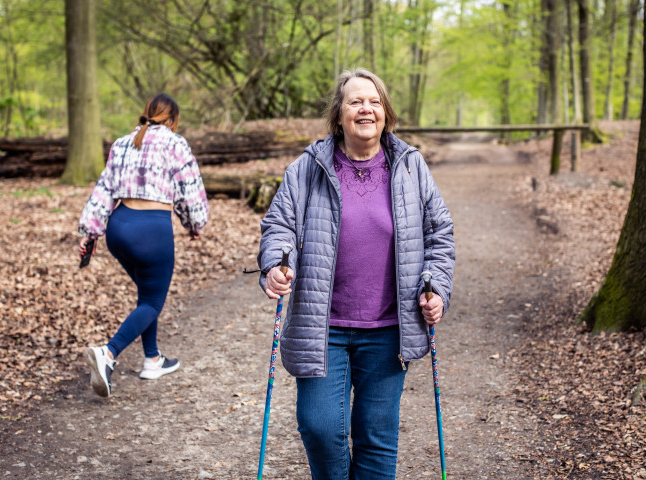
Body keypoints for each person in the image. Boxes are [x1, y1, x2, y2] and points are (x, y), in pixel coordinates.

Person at [258, 68, 455, 479]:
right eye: (355, 101)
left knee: (376, 437)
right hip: (321, 325)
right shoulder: (307, 168)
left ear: (386, 112)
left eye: (375, 101)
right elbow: (279, 225)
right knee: (319, 427)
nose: (366, 108)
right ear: (339, 114)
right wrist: (276, 262)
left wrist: (437, 287)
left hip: (388, 329)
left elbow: (440, 234)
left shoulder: (410, 167)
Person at [77, 93, 209, 398]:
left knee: (147, 295)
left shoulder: (123, 142)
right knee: (152, 301)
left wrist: (90, 231)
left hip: (119, 228)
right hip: (152, 231)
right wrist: (194, 224)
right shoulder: (176, 143)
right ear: (173, 119)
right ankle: (108, 354)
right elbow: (190, 189)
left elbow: (104, 189)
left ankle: (152, 359)